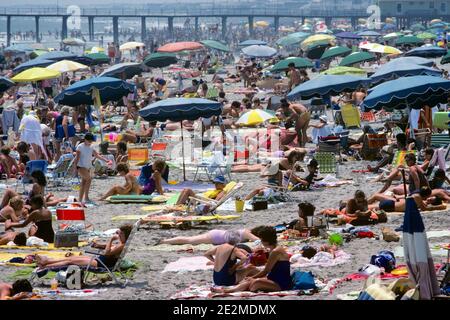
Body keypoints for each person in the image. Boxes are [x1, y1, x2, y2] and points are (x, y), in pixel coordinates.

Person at [211, 226, 292, 293]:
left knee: (255, 283)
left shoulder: (275, 252)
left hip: (281, 283)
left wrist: (253, 277)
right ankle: (229, 290)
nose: (261, 241)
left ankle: (229, 290)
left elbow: (266, 271)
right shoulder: (274, 249)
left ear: (266, 240)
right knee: (251, 280)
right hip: (273, 279)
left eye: (261, 239)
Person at [36, 224, 132, 269]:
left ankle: (46, 265)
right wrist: (99, 245)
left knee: (70, 261)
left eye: (120, 234)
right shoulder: (121, 243)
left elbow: (107, 253)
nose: (118, 236)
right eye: (119, 233)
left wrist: (110, 239)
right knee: (72, 257)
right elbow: (109, 249)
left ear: (125, 235)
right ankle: (47, 260)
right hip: (99, 259)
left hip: (102, 264)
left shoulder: (122, 245)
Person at [75, 133, 112, 205]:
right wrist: (75, 169)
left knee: (83, 183)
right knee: (89, 179)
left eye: (91, 141)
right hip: (80, 166)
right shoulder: (80, 147)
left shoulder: (91, 147)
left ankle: (80, 199)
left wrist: (106, 160)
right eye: (89, 141)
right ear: (85, 139)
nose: (90, 142)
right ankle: (86, 198)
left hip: (87, 166)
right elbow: (77, 158)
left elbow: (97, 155)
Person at [369, 186, 446, 212]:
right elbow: (424, 209)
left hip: (391, 205)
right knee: (369, 206)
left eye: (432, 199)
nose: (430, 198)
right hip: (391, 205)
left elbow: (424, 207)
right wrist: (440, 207)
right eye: (430, 197)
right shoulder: (418, 197)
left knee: (368, 207)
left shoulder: (417, 195)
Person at [160, 227, 263, 245]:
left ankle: (165, 240)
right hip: (216, 237)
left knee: (190, 240)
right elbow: (257, 241)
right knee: (189, 240)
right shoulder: (247, 233)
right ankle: (164, 241)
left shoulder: (246, 232)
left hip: (218, 235)